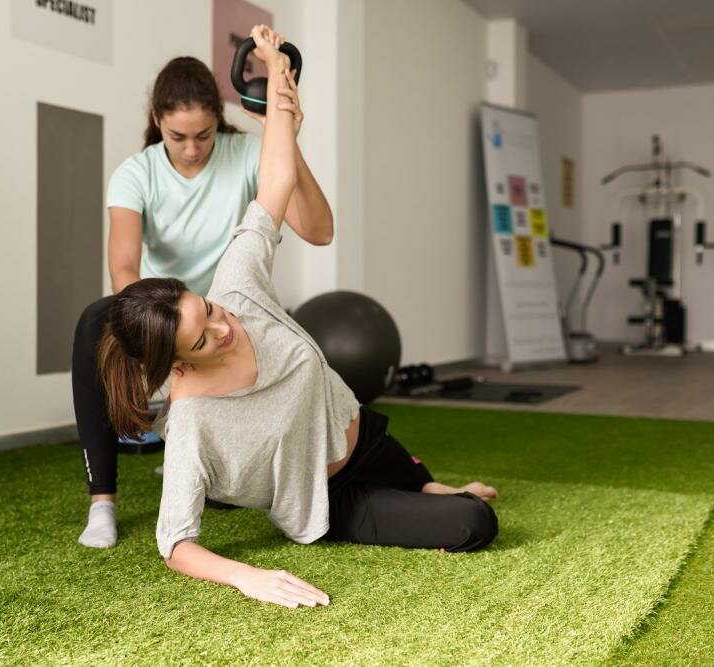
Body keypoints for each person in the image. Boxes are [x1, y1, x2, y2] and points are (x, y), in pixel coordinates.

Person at [98, 25, 499, 609]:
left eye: (205, 310)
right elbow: (176, 543)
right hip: (329, 496)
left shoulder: (235, 286)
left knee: (417, 473)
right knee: (474, 524)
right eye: (204, 339)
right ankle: (431, 496)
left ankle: (423, 481)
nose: (224, 325)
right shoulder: (192, 424)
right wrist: (248, 577)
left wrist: (278, 78)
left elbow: (278, 179)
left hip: (361, 432)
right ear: (179, 365)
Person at [73, 31, 334, 548]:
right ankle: (102, 500)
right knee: (92, 322)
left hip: (229, 313)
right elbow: (124, 269)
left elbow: (319, 230)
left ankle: (203, 466)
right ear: (156, 120)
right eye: (177, 137)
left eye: (204, 135)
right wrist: (162, 331)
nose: (192, 150)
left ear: (220, 121)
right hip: (167, 317)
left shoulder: (243, 152)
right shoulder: (135, 174)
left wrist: (282, 135)